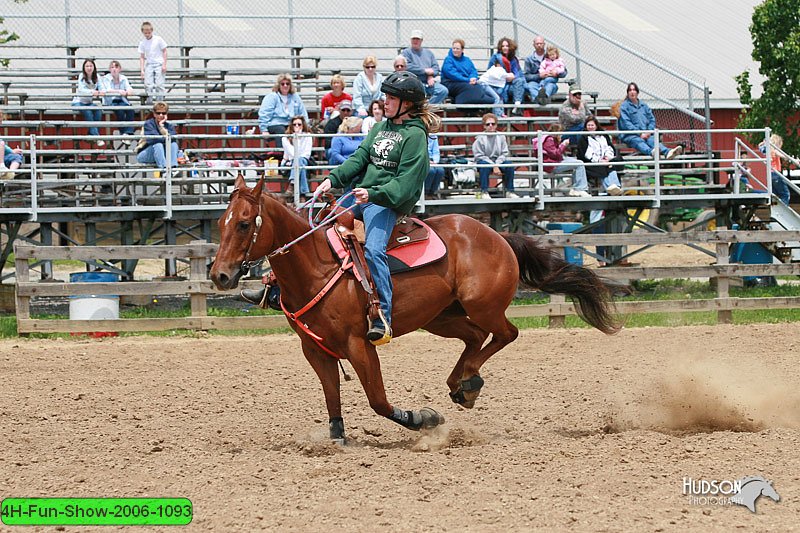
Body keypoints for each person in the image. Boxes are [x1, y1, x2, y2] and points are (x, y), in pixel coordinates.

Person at [318, 71, 439, 344]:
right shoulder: (379, 128)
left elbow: (406, 184)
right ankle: (278, 287)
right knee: (316, 226)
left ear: (406, 104)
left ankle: (383, 316)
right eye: (385, 96)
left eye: (391, 97)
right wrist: (332, 179)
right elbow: (359, 159)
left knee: (373, 249)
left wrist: (373, 193)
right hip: (361, 195)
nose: (385, 102)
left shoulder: (415, 137)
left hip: (385, 202)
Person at [618, 82, 682, 159]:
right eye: (630, 90)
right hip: (630, 135)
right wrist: (640, 133)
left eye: (634, 90)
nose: (632, 92)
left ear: (637, 92)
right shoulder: (624, 106)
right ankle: (652, 152)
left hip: (646, 134)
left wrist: (649, 131)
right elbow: (626, 123)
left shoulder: (644, 106)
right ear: (627, 93)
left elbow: (652, 119)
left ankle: (668, 152)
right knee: (638, 141)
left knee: (653, 141)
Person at [440, 38, 501, 116]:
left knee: (478, 85)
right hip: (450, 82)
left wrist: (473, 78)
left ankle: (479, 105)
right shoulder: (448, 60)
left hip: (466, 82)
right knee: (469, 87)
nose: (455, 50)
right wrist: (467, 80)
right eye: (454, 48)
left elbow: (473, 71)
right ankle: (464, 105)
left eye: (457, 48)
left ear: (462, 50)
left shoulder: (467, 60)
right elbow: (452, 74)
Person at [532, 124, 589, 197]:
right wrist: (563, 144)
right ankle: (579, 188)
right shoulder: (549, 140)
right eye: (561, 132)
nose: (562, 134)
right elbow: (556, 154)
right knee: (579, 163)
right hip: (551, 165)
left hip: (554, 162)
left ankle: (574, 187)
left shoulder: (551, 139)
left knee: (576, 161)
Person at [472, 113, 518, 199]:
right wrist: (493, 165)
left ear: (496, 125)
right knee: (483, 166)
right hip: (484, 161)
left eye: (493, 124)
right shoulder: (479, 138)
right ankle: (484, 191)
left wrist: (496, 164)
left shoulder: (501, 137)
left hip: (498, 161)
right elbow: (479, 156)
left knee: (509, 165)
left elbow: (504, 153)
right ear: (484, 126)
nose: (490, 126)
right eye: (488, 124)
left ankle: (510, 191)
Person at [576, 116, 623, 196]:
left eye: (592, 125)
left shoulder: (604, 136)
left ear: (596, 126)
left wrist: (607, 158)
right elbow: (586, 154)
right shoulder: (583, 138)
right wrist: (599, 160)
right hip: (591, 162)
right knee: (605, 167)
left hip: (606, 160)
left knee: (613, 163)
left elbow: (609, 148)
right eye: (588, 125)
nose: (590, 127)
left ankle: (614, 187)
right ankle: (613, 187)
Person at [401, 30, 449, 104]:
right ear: (410, 40)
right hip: (414, 83)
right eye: (413, 39)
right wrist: (424, 71)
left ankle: (427, 109)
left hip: (428, 83)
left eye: (417, 39)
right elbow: (408, 67)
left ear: (421, 40)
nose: (415, 41)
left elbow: (436, 68)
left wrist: (430, 75)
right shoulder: (406, 53)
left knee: (443, 90)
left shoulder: (429, 53)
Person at [486, 37, 526, 115]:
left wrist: (513, 77)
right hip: (498, 85)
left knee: (520, 82)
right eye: (503, 46)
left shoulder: (514, 59)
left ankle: (517, 106)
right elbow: (490, 72)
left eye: (507, 46)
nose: (505, 48)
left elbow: (519, 74)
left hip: (511, 85)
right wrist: (505, 77)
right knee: (499, 93)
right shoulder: (495, 58)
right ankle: (500, 114)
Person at [71, 59, 105, 147]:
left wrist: (101, 92)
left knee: (98, 110)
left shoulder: (97, 77)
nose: (89, 68)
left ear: (94, 67)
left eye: (91, 66)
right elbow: (81, 90)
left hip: (89, 102)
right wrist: (92, 92)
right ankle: (97, 137)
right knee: (88, 111)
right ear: (84, 68)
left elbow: (102, 88)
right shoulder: (81, 76)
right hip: (78, 101)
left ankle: (91, 134)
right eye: (87, 66)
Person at [524, 35, 568, 105]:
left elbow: (564, 72)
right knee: (530, 85)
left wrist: (556, 73)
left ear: (544, 44)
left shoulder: (552, 55)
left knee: (551, 85)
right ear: (533, 45)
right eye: (537, 44)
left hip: (549, 82)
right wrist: (539, 76)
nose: (539, 45)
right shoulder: (529, 59)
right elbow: (526, 76)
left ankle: (544, 97)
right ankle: (539, 99)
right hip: (535, 83)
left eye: (541, 43)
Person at [136, 101, 179, 171]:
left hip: (162, 154)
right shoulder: (148, 124)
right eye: (158, 113)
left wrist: (162, 128)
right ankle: (164, 170)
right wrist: (165, 135)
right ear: (154, 114)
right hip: (145, 154)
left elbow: (173, 139)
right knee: (158, 145)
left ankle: (173, 168)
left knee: (173, 144)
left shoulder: (169, 125)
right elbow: (153, 140)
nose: (161, 115)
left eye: (163, 113)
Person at [281, 115, 313, 198]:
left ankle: (292, 183)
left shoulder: (308, 136)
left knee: (300, 161)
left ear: (303, 125)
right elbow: (292, 153)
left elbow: (307, 154)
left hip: (304, 161)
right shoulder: (285, 138)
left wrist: (298, 136)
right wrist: (296, 137)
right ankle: (303, 195)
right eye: (294, 124)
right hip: (289, 162)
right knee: (299, 164)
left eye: (299, 124)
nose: (297, 126)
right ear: (291, 126)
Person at [103, 60, 136, 136]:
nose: (114, 69)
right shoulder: (106, 78)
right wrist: (119, 91)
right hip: (111, 101)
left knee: (130, 110)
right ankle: (125, 132)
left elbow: (129, 89)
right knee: (120, 110)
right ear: (109, 69)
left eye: (116, 67)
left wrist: (127, 92)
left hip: (122, 100)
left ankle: (128, 132)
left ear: (120, 69)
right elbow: (107, 90)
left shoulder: (123, 78)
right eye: (112, 67)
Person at [138, 21, 167, 103]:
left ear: (152, 31)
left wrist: (164, 64)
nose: (147, 34)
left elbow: (164, 51)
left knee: (159, 85)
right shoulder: (142, 43)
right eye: (145, 33)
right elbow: (142, 57)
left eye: (149, 32)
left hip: (159, 63)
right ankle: (149, 103)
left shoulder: (158, 39)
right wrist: (142, 70)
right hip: (149, 64)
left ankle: (160, 103)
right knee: (148, 85)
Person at [759, 134, 790, 205]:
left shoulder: (767, 150)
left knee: (774, 195)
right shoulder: (774, 150)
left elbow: (760, 146)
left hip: (769, 175)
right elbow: (783, 156)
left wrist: (764, 142)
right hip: (776, 173)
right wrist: (791, 159)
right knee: (785, 194)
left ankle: (774, 212)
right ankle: (783, 209)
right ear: (777, 143)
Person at [424, 133, 444, 197]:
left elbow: (436, 151)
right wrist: (427, 160)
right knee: (431, 171)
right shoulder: (419, 134)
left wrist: (435, 161)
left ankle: (432, 192)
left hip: (432, 160)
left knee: (440, 171)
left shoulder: (433, 136)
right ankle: (425, 192)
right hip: (422, 159)